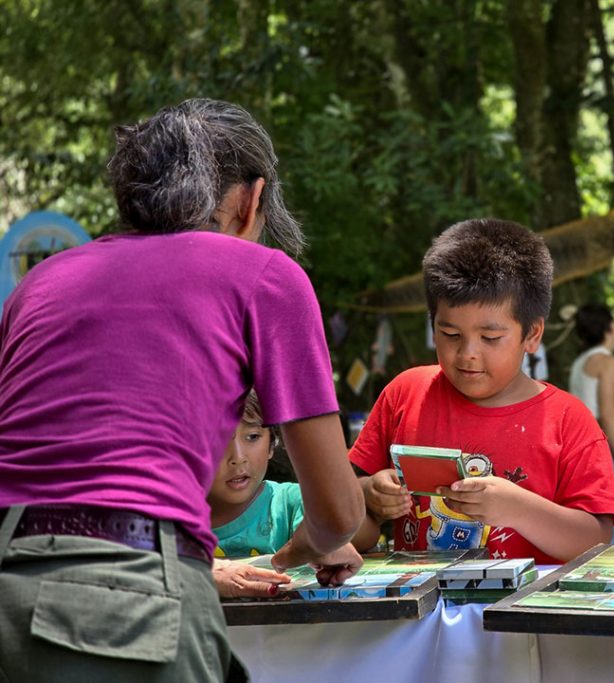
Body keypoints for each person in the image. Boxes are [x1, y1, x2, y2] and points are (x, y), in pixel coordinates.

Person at [0, 99, 364, 681]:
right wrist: (298, 552)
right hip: (123, 601)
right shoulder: (264, 276)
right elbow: (339, 512)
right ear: (250, 200)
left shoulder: (39, 284)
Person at [348, 218, 614, 564]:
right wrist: (369, 494)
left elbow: (596, 539)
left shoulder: (568, 420)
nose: (467, 354)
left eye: (490, 338)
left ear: (532, 335)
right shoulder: (406, 393)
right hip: (417, 614)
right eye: (449, 335)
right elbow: (341, 503)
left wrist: (519, 509)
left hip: (521, 614)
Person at [209, 392, 364, 598]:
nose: (238, 458)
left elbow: (328, 538)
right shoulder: (170, 516)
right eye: (219, 438)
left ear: (272, 444)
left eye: (253, 437)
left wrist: (329, 544)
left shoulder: (293, 504)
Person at [568, 303, 614, 544]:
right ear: (609, 328)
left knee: (595, 528)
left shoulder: (579, 362)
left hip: (577, 448)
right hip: (601, 448)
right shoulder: (607, 362)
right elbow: (608, 415)